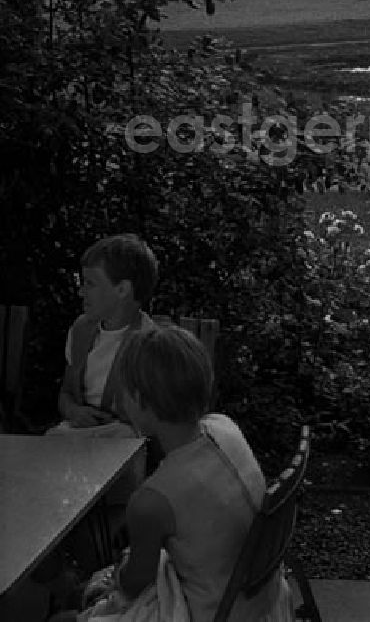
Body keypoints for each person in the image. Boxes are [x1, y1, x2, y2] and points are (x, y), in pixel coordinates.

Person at [72, 326, 293, 622]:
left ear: (138, 399)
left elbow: (134, 582)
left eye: (121, 392)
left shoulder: (151, 500)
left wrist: (110, 580)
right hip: (259, 600)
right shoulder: (224, 427)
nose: (119, 401)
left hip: (211, 611)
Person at [52, 233, 159, 436]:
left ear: (122, 289)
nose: (81, 292)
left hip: (125, 438)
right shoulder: (80, 330)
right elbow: (65, 393)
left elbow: (157, 418)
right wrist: (74, 411)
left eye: (90, 283)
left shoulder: (149, 343)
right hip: (79, 432)